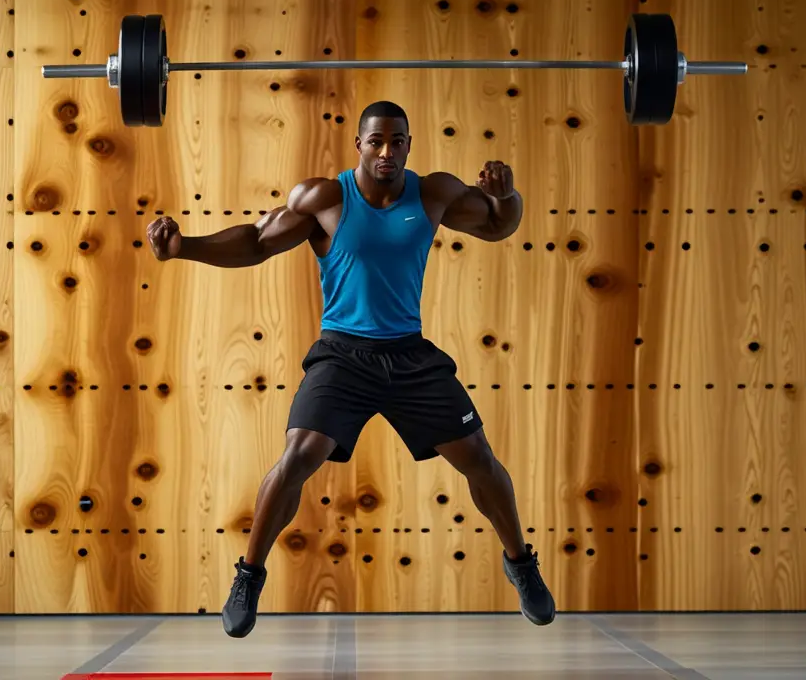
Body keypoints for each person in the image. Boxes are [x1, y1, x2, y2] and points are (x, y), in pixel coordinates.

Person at [145, 100, 555, 638]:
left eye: (398, 142)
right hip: (344, 355)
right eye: (377, 141)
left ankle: (521, 565)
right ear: (359, 144)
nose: (387, 152)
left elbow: (500, 225)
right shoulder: (324, 199)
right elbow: (257, 241)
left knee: (478, 458)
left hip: (410, 356)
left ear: (409, 145)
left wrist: (508, 194)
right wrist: (184, 247)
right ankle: (249, 577)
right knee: (297, 457)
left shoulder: (432, 193)